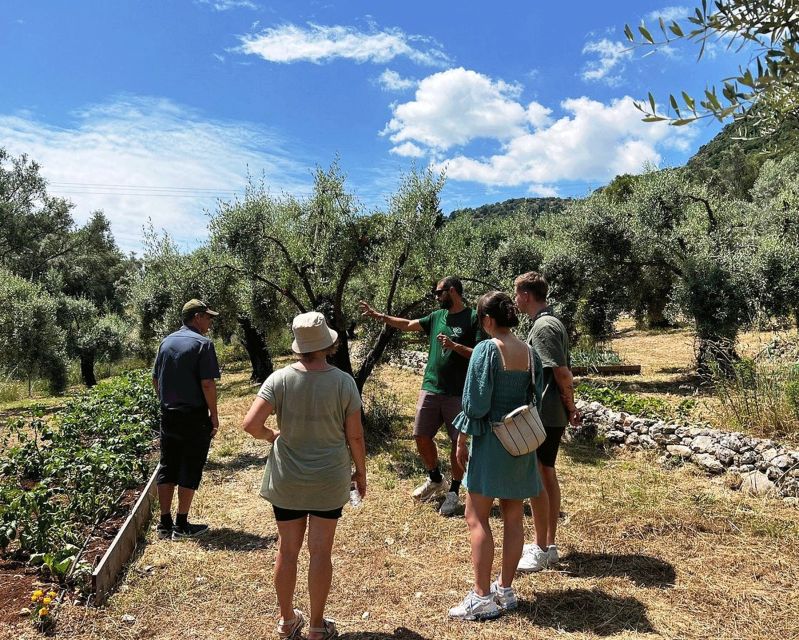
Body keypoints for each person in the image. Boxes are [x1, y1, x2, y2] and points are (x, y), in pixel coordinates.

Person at [242, 311, 366, 640]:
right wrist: (360, 473)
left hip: (288, 479)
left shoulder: (279, 379)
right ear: (327, 344)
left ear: (299, 345)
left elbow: (250, 424)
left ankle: (286, 620)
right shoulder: (344, 382)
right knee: (321, 553)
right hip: (328, 478)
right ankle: (316, 626)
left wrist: (272, 436)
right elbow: (355, 436)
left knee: (287, 551)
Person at [448, 291, 543, 621]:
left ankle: (481, 597)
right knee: (514, 518)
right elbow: (536, 396)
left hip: (491, 442)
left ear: (488, 320)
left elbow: (475, 404)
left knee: (476, 517)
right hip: (521, 444)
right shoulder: (529, 352)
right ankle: (505, 589)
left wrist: (461, 439)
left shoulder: (487, 350)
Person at [359, 276, 483, 516]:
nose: (436, 297)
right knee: (421, 435)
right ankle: (435, 479)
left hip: (458, 392)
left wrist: (454, 346)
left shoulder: (472, 318)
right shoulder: (437, 317)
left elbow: (479, 353)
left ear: (452, 291)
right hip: (431, 387)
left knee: (457, 442)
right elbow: (407, 324)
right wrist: (380, 316)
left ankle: (454, 492)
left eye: (438, 292)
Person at [513, 272, 581, 572]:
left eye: (517, 294)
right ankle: (548, 545)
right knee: (545, 472)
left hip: (545, 414)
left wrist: (571, 406)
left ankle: (541, 548)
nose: (515, 300)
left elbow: (562, 373)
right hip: (550, 413)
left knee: (540, 476)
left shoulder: (543, 327)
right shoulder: (547, 323)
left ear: (526, 295)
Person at [152, 299, 221, 540]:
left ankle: (164, 524)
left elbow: (155, 379)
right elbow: (207, 383)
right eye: (208, 317)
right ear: (197, 317)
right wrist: (214, 415)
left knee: (168, 465)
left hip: (169, 415)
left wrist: (166, 402)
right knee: (190, 466)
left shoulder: (166, 342)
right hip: (194, 416)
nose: (210, 322)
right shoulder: (203, 344)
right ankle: (181, 525)